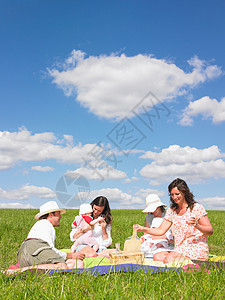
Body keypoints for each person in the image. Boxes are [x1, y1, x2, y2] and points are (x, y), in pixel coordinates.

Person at [134, 178, 213, 263]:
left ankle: (194, 262)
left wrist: (197, 225)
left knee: (169, 259)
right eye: (172, 195)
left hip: (195, 247)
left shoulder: (196, 208)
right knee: (157, 256)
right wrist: (142, 229)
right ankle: (184, 261)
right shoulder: (172, 211)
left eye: (177, 194)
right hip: (180, 248)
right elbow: (160, 230)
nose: (174, 197)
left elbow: (210, 230)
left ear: (184, 192)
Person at [17, 201, 85, 270]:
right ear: (51, 215)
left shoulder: (40, 224)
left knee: (77, 263)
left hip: (25, 255)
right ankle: (18, 271)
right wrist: (71, 255)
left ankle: (28, 269)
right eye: (58, 214)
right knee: (61, 266)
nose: (61, 217)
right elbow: (50, 249)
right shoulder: (46, 225)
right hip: (34, 250)